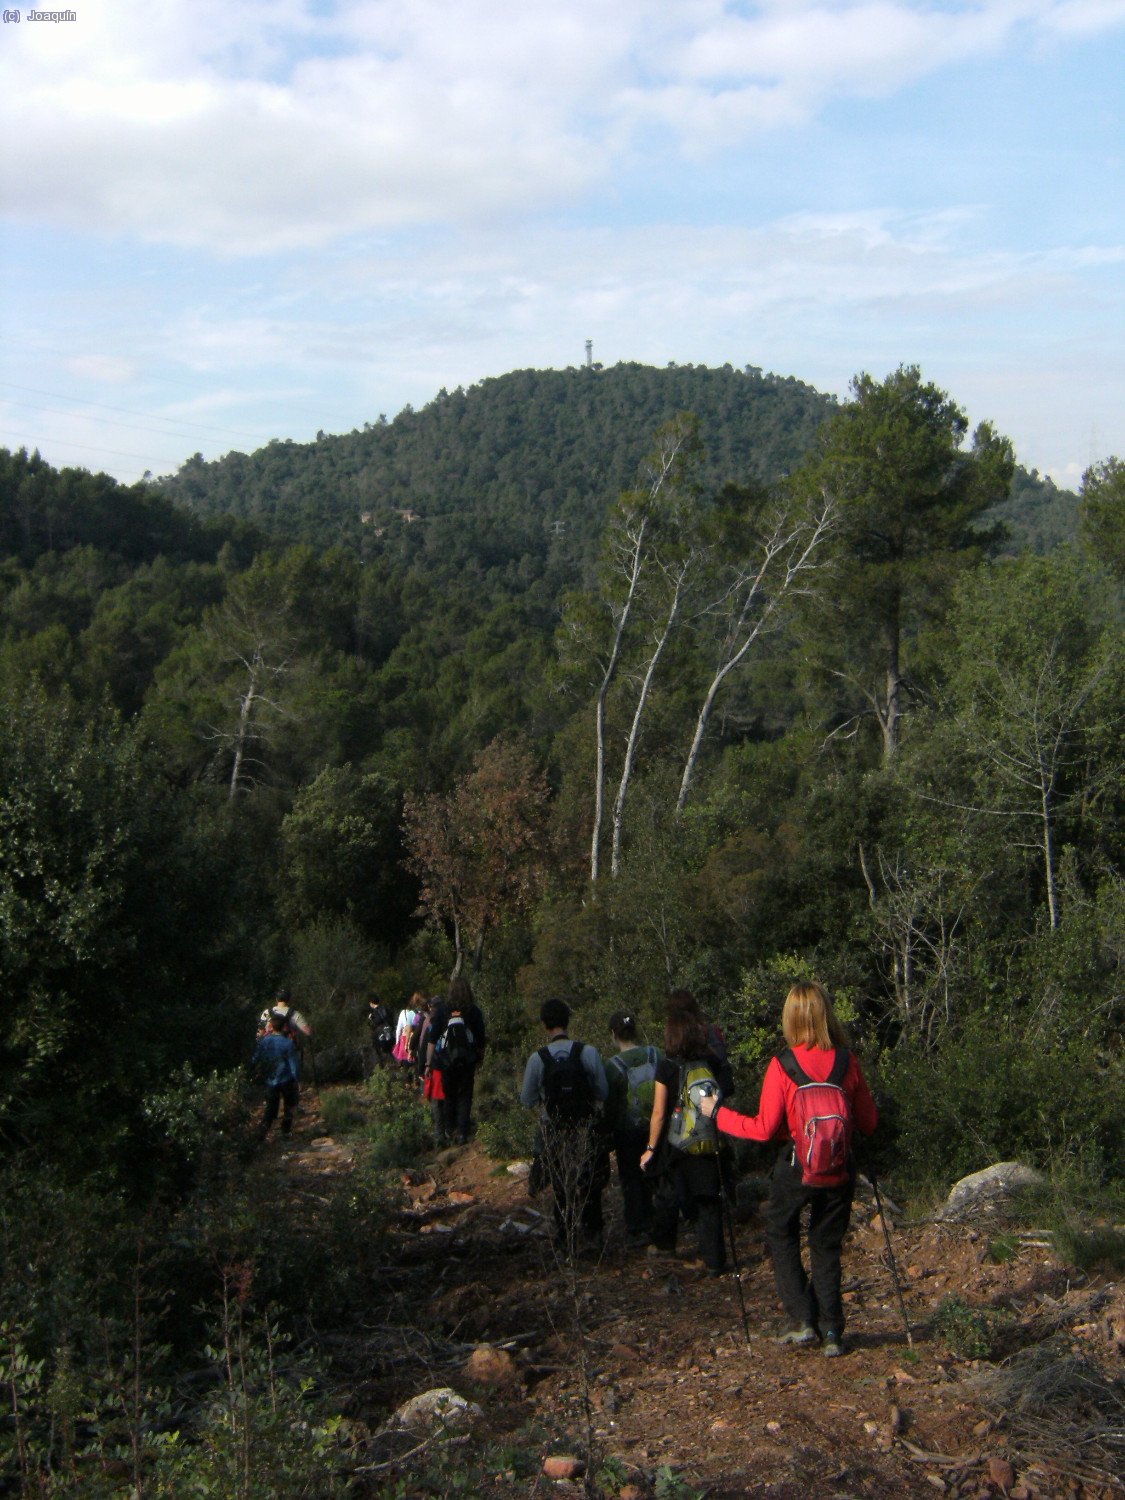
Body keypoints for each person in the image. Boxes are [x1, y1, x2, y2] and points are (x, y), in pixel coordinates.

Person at [700, 980, 877, 1356]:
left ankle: (801, 1320)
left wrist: (718, 1114)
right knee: (825, 1246)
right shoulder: (847, 1061)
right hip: (839, 1168)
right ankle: (832, 1331)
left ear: (791, 1018)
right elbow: (869, 1122)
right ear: (826, 1013)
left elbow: (763, 1129)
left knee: (781, 1232)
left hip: (797, 1165)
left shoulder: (784, 1065)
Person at [641, 998, 734, 1275]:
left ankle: (665, 1244)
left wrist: (650, 1148)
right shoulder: (713, 1062)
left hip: (678, 1145)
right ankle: (715, 1261)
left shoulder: (666, 1067)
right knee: (709, 1202)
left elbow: (658, 1112)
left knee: (671, 1194)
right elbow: (726, 1091)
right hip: (710, 1141)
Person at [520, 998, 609, 1253]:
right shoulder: (588, 1052)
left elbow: (527, 1100)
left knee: (561, 1185)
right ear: (567, 1021)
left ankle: (564, 1238)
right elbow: (603, 1091)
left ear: (544, 1025)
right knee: (589, 1183)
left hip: (555, 1130)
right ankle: (593, 1235)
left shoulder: (538, 1059)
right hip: (585, 1128)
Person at [603, 1011, 662, 1247]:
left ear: (613, 1034)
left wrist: (607, 1132)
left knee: (631, 1179)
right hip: (656, 1126)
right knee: (657, 1174)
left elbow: (610, 1103)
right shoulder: (655, 1054)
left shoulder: (613, 1066)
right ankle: (662, 1220)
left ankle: (637, 1225)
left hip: (627, 1132)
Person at [426, 977, 486, 1146]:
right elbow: (481, 1039)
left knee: (449, 1095)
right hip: (467, 1061)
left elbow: (432, 1039)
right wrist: (479, 1058)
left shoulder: (443, 1010)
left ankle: (448, 1130)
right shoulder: (474, 1011)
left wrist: (428, 1064)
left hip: (446, 1061)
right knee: (465, 1095)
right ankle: (462, 1132)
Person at [250, 1009, 301, 1140]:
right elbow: (293, 1064)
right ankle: (285, 1131)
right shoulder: (288, 1043)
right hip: (286, 1079)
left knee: (271, 1107)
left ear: (271, 1026)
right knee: (289, 1105)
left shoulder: (263, 1041)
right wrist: (297, 1079)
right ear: (284, 1027)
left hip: (270, 1079)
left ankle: (262, 1132)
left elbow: (255, 1059)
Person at [257, 988, 311, 1057]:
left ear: (276, 999)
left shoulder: (267, 1012)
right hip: (288, 1048)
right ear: (289, 1000)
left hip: (270, 1048)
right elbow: (308, 1032)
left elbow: (260, 1031)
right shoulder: (295, 1014)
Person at [393, 993, 424, 1066]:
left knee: (408, 1062)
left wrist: (405, 1044)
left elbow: (407, 1029)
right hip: (423, 1038)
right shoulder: (425, 1012)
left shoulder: (410, 1013)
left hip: (412, 1039)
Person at [366, 993, 394, 1069]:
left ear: (371, 1003)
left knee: (380, 1051)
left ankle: (382, 1067)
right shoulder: (385, 1008)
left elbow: (377, 1022)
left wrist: (371, 1019)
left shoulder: (375, 1012)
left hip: (380, 1033)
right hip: (390, 1031)